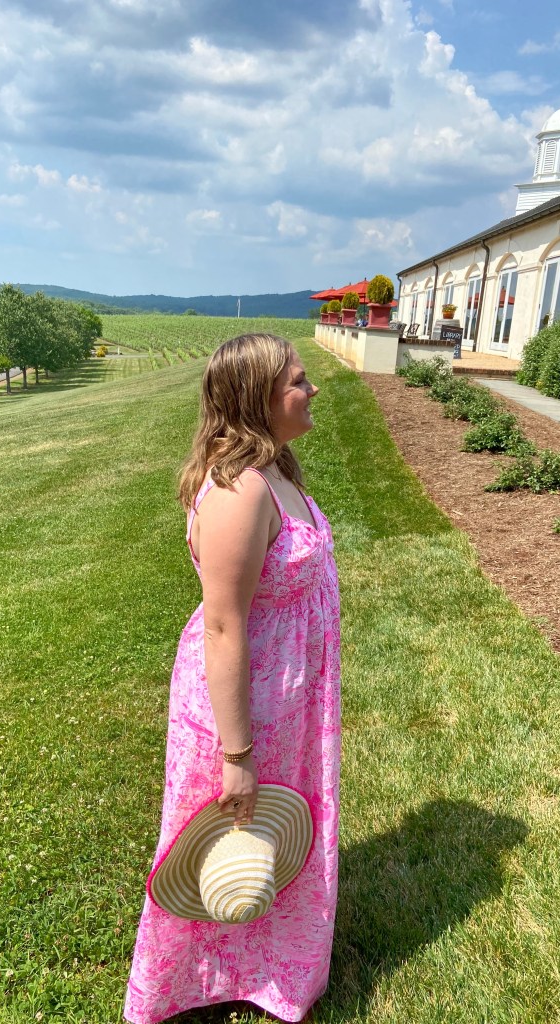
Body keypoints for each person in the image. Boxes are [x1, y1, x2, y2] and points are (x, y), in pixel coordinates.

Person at [124, 333, 341, 1024]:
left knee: (269, 839)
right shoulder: (239, 492)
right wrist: (237, 753)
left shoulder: (275, 469)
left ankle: (269, 967)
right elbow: (223, 626)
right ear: (256, 399)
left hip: (289, 697)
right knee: (226, 843)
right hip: (246, 705)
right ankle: (188, 982)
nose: (312, 389)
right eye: (298, 381)